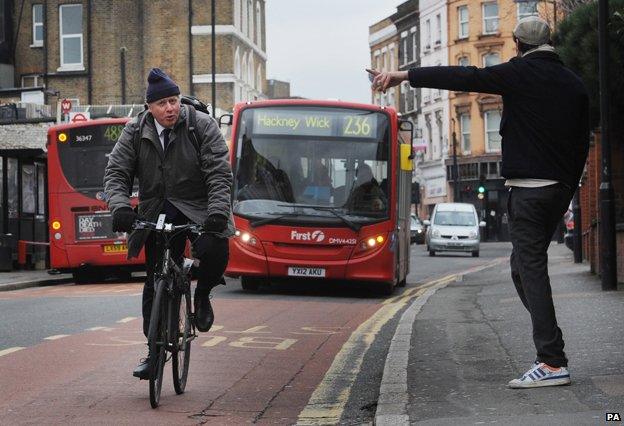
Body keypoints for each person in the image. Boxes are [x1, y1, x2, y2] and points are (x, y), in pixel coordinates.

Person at [370, 16, 589, 389]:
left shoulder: (519, 73)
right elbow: (583, 140)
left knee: (530, 269)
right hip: (558, 188)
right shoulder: (574, 83)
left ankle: (551, 361)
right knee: (522, 268)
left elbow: (464, 77)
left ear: (518, 45)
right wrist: (569, 186)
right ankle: (550, 346)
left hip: (529, 190)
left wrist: (403, 76)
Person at [103, 68, 233, 379]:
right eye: (162, 104)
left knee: (216, 249)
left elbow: (219, 174)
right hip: (157, 210)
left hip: (200, 207)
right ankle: (153, 351)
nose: (170, 108)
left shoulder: (201, 125)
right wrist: (121, 207)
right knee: (154, 281)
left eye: (173, 101)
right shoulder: (135, 131)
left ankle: (202, 294)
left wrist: (215, 213)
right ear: (149, 107)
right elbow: (116, 173)